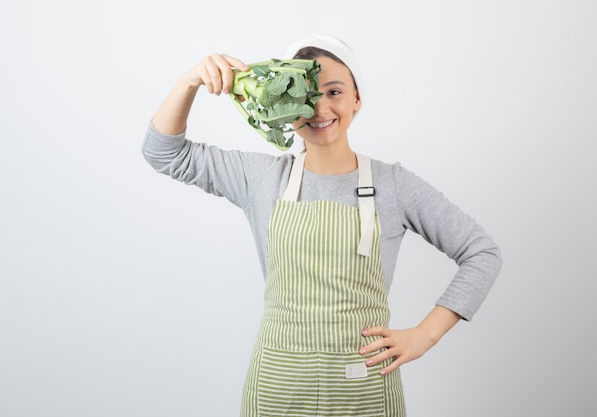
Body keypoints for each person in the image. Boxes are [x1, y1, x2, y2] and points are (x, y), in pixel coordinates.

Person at [141, 34, 502, 417]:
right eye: (304, 94)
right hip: (278, 388)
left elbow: (482, 252)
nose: (320, 107)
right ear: (281, 105)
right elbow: (163, 152)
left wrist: (424, 336)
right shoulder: (262, 178)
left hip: (363, 389)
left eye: (334, 91)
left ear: (356, 99)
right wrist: (189, 82)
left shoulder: (394, 185)